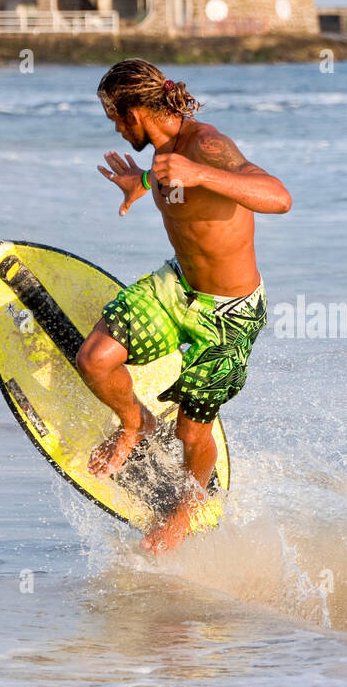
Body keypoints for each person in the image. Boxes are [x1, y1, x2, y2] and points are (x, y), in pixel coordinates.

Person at [76, 59, 292, 554]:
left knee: (191, 431)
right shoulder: (162, 154)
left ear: (135, 110)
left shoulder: (205, 145)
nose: (113, 126)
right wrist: (142, 186)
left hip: (229, 312)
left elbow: (279, 198)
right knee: (95, 360)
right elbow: (176, 187)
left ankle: (189, 507)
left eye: (114, 115)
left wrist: (200, 172)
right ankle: (135, 422)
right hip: (178, 286)